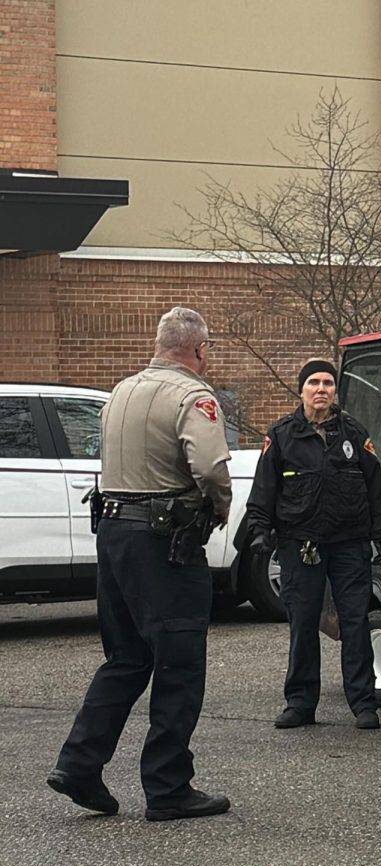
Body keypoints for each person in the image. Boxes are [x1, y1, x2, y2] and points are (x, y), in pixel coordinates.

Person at [48, 307, 233, 821]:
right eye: (208, 349)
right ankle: (168, 787)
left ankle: (79, 763)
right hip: (164, 543)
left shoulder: (120, 392)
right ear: (198, 349)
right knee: (179, 662)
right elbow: (211, 467)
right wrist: (218, 509)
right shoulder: (193, 396)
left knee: (126, 658)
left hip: (113, 533)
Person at [245, 359, 381, 731]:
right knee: (303, 622)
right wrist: (260, 531)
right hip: (301, 544)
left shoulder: (354, 434)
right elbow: (263, 489)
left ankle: (363, 703)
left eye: (328, 382)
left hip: (349, 543)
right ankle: (300, 703)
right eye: (314, 382)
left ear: (334, 391)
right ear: (302, 390)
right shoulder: (281, 435)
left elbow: (377, 486)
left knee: (355, 622)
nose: (321, 388)